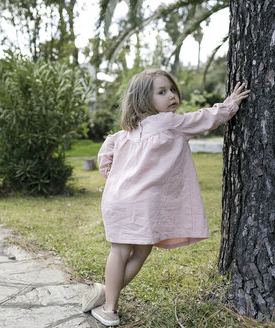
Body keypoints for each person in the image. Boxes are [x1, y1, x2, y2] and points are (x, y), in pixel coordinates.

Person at [81, 69, 250, 326]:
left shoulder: (123, 134)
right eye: (162, 92)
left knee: (122, 250)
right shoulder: (171, 123)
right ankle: (109, 308)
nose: (171, 96)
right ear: (143, 100)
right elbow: (206, 118)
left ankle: (108, 294)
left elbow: (105, 160)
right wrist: (230, 104)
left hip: (116, 199)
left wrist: (117, 179)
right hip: (142, 202)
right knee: (135, 251)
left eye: (172, 90)